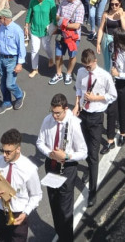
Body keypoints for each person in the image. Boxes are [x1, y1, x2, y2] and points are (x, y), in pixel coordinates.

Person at [36, 93, 88, 242]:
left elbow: (83, 152)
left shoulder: (74, 124)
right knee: (54, 202)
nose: (54, 116)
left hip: (67, 168)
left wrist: (66, 156)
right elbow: (40, 142)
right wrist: (51, 154)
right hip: (52, 165)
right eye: (52, 112)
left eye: (58, 113)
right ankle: (60, 232)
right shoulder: (48, 120)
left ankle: (67, 238)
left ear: (66, 109)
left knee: (65, 209)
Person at [73, 48, 117, 208]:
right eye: (85, 66)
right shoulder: (81, 72)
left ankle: (92, 191)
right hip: (83, 114)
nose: (87, 69)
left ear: (95, 61)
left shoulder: (104, 76)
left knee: (93, 154)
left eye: (89, 66)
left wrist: (95, 98)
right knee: (83, 148)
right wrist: (77, 104)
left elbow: (113, 95)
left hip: (97, 117)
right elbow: (79, 89)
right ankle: (89, 170)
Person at [0, 128, 43, 242]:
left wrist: (25, 213)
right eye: (3, 150)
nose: (4, 155)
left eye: (8, 152)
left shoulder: (29, 169)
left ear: (18, 149)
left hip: (18, 213)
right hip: (0, 210)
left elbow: (36, 195)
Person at [105, 30, 125, 151]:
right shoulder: (114, 49)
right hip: (115, 83)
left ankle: (123, 133)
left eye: (114, 38)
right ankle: (110, 139)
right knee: (111, 111)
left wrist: (119, 74)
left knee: (123, 111)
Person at [0, 8, 25, 114]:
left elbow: (22, 48)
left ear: (5, 18)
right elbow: (0, 41)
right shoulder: (2, 27)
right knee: (3, 84)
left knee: (10, 84)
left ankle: (19, 95)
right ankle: (7, 102)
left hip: (12, 60)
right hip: (2, 58)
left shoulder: (17, 30)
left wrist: (20, 64)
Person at [51, 0, 84, 86]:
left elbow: (77, 25)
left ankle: (68, 74)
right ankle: (58, 73)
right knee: (58, 55)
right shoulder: (63, 2)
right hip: (61, 34)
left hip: (72, 37)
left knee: (72, 56)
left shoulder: (79, 6)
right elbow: (57, 16)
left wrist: (64, 23)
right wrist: (60, 21)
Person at [25, 0, 57, 78]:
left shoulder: (50, 1)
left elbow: (54, 16)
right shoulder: (32, 1)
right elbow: (29, 14)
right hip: (34, 29)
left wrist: (55, 27)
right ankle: (35, 69)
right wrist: (26, 25)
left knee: (46, 46)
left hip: (46, 30)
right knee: (34, 49)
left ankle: (51, 59)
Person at [96, 0, 125, 71]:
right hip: (107, 38)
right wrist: (98, 42)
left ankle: (117, 78)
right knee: (107, 61)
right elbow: (101, 29)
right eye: (112, 4)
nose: (114, 6)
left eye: (116, 4)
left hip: (119, 40)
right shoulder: (106, 14)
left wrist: (120, 17)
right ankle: (108, 78)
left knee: (119, 61)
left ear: (120, 4)